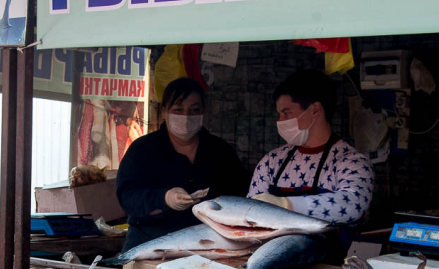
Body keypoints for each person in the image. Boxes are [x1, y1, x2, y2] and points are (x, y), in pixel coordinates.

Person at [116, 77, 248, 251]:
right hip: (150, 245)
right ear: (165, 110)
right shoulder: (143, 149)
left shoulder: (220, 151)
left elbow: (240, 195)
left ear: (203, 112)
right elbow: (127, 196)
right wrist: (164, 199)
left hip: (208, 246)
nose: (186, 116)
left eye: (194, 110)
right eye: (178, 110)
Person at [248, 69, 375, 225]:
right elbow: (251, 214)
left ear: (315, 110)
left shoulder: (352, 162)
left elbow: (353, 204)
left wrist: (286, 204)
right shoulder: (272, 161)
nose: (280, 121)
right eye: (279, 114)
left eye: (286, 113)